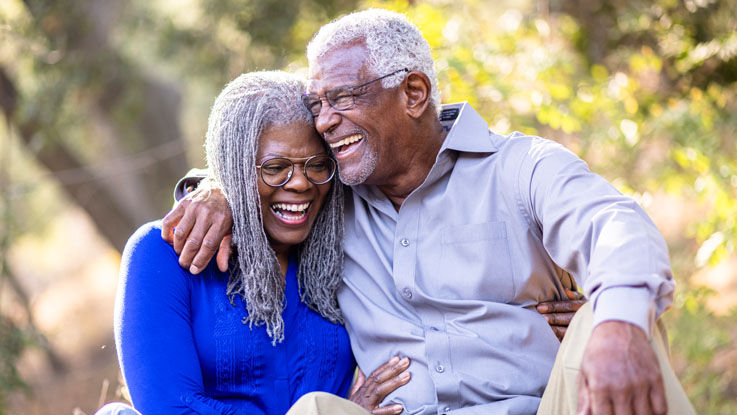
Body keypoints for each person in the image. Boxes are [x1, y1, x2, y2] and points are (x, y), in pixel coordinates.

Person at [164, 9, 695, 415]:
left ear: (413, 92)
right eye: (316, 104)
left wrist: (617, 323)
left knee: (618, 319)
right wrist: (215, 188)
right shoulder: (329, 200)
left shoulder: (518, 168)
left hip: (537, 407)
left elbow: (616, 226)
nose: (324, 122)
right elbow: (267, 163)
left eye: (342, 98)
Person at [101, 71, 412, 415]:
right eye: (276, 167)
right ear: (233, 170)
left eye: (317, 165)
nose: (301, 184)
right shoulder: (161, 253)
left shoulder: (345, 243)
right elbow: (170, 407)